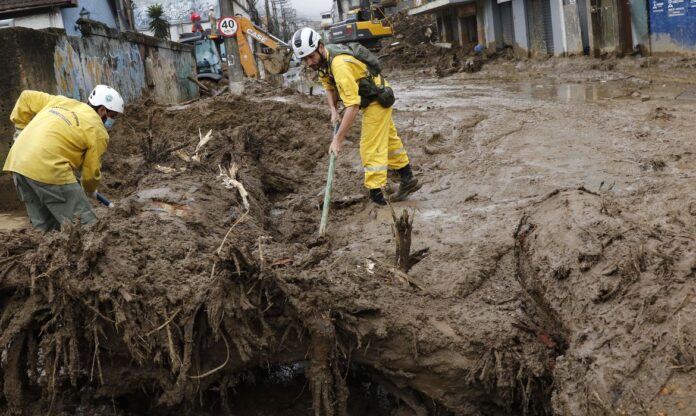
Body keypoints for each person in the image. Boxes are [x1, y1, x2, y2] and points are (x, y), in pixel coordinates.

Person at [292, 27, 421, 205]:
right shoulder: (323, 62)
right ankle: (408, 179)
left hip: (376, 98)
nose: (309, 62)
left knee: (370, 146)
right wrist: (333, 110)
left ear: (320, 47)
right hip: (369, 97)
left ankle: (378, 197)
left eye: (310, 57)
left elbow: (352, 106)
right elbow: (329, 86)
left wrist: (338, 139)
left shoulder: (339, 65)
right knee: (390, 141)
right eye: (304, 59)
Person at [3, 85, 124, 232]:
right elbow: (90, 174)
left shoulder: (61, 101)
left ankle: (47, 253)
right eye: (113, 115)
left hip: (18, 163)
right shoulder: (98, 131)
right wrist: (90, 189)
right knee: (87, 228)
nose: (112, 120)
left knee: (45, 229)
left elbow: (26, 97)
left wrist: (20, 130)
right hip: (50, 169)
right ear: (102, 110)